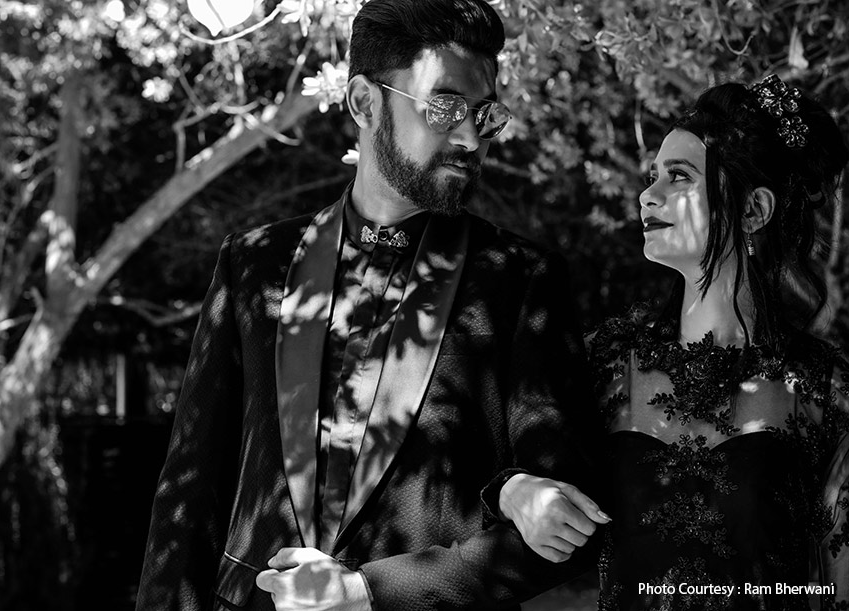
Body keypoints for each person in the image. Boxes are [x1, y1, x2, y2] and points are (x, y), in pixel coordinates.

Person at [135, 1, 605, 609]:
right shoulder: (252, 264)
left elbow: (572, 524)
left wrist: (368, 593)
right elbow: (188, 495)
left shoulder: (520, 279)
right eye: (444, 108)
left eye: (484, 114)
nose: (470, 137)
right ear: (363, 102)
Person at [492, 76, 849, 609]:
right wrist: (512, 491)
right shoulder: (604, 365)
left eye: (678, 176)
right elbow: (476, 455)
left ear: (753, 210)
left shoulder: (826, 389)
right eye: (652, 176)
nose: (647, 194)